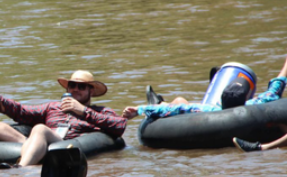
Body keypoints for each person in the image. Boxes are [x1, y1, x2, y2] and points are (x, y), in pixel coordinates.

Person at [0, 71, 127, 168]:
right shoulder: (53, 107)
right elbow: (21, 111)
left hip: (66, 145)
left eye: (81, 87)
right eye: (71, 86)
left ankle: (21, 170)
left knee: (39, 128)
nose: (75, 90)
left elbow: (119, 125)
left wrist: (83, 111)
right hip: (37, 145)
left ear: (90, 90)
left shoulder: (100, 111)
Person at [123, 56, 287, 122]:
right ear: (246, 99)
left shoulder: (210, 109)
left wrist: (139, 110)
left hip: (206, 116)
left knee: (179, 101)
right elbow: (274, 91)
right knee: (179, 102)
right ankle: (160, 102)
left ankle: (159, 103)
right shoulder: (255, 106)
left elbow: (181, 108)